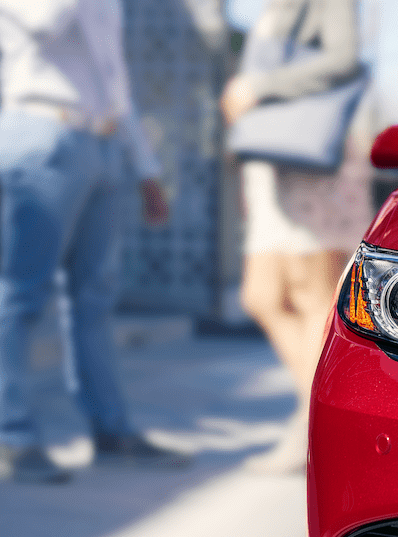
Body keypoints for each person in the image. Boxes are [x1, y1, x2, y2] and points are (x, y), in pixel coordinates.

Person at [0, 0, 189, 484]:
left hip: (103, 145)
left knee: (95, 300)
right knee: (19, 293)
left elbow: (115, 79)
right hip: (43, 131)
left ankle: (110, 432)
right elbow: (42, 20)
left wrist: (146, 168)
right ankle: (10, 434)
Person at [220, 0, 373, 474]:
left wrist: (256, 87)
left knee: (311, 297)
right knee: (261, 295)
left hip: (311, 161)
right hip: (274, 161)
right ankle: (318, 420)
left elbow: (342, 60)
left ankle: (310, 429)